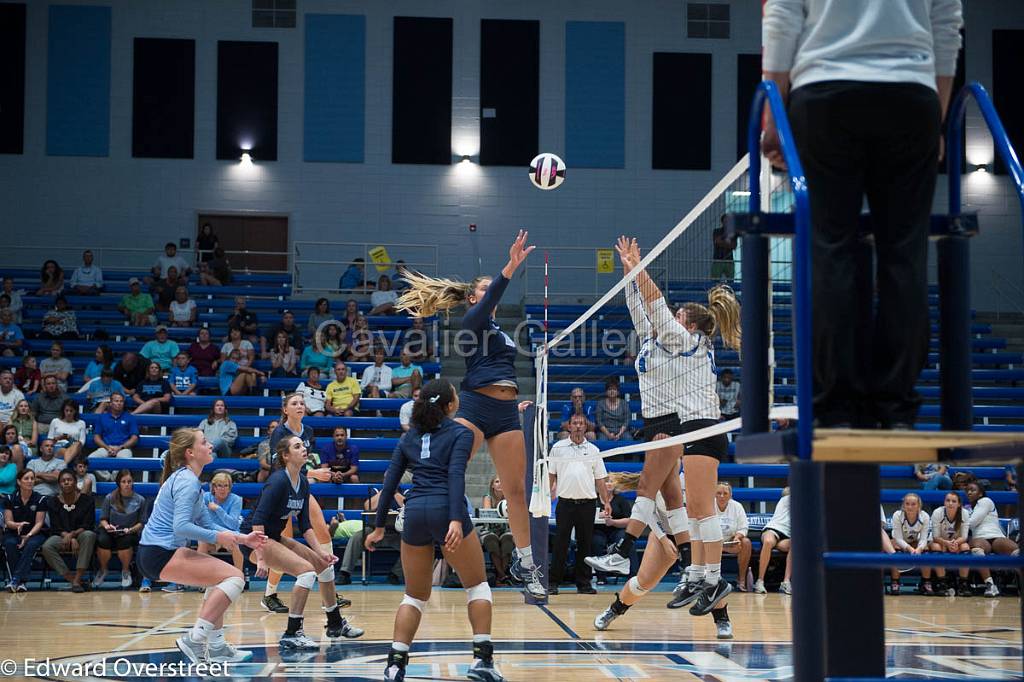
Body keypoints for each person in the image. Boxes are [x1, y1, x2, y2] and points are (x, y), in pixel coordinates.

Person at [762, 0, 963, 428]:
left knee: (830, 250)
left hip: (826, 93)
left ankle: (834, 406)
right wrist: (938, 119)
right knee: (904, 254)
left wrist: (772, 115)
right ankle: (894, 407)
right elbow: (947, 24)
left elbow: (781, 16)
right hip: (910, 95)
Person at [396, 230, 543, 598]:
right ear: (473, 298)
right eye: (484, 289)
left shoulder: (498, 330)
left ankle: (525, 563)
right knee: (446, 467)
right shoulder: (473, 322)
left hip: (506, 411)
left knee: (516, 492)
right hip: (475, 405)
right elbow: (493, 294)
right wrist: (510, 267)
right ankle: (410, 508)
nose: (490, 292)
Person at [608, 237, 739, 617]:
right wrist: (628, 272)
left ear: (690, 323)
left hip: (701, 428)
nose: (673, 317)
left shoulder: (686, 339)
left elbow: (656, 306)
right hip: (693, 428)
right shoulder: (683, 343)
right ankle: (699, 574)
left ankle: (712, 579)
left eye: (680, 314)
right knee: (697, 508)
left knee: (702, 509)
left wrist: (638, 266)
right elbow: (644, 310)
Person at [365, 379, 505, 682]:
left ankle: (395, 665)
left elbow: (389, 483)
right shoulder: (459, 433)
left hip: (415, 513)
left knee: (414, 597)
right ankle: (482, 662)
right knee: (477, 586)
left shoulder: (410, 437)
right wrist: (456, 519)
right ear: (450, 405)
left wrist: (378, 528)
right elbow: (455, 474)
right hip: (445, 509)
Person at [138, 428, 266, 663]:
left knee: (221, 579)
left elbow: (209, 523)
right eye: (204, 442)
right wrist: (218, 539)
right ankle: (194, 639)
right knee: (235, 578)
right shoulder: (186, 482)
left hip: (159, 551)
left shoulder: (190, 480)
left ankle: (216, 647)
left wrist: (242, 538)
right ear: (190, 453)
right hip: (159, 553)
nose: (210, 446)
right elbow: (181, 528)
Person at [245, 435, 364, 647]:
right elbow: (258, 520)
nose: (304, 448)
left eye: (304, 445)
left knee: (323, 567)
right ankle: (292, 632)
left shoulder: (302, 483)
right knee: (306, 572)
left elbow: (306, 525)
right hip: (253, 538)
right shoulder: (278, 480)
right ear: (286, 455)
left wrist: (320, 552)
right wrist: (261, 558)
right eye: (297, 446)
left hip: (273, 536)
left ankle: (335, 623)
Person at [261, 393, 350, 614]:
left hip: (301, 486)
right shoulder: (280, 433)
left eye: (302, 403)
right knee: (285, 543)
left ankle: (329, 593)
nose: (300, 406)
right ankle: (269, 594)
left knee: (323, 534)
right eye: (294, 403)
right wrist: (314, 472)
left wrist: (324, 472)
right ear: (285, 410)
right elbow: (277, 467)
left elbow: (307, 461)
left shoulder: (308, 431)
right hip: (281, 490)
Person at [547, 413, 611, 595]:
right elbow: (551, 476)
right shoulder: (558, 448)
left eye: (581, 423)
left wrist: (606, 501)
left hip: (587, 504)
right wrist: (545, 495)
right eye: (574, 423)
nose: (577, 426)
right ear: (568, 426)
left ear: (586, 427)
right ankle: (553, 582)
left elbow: (600, 480)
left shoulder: (593, 450)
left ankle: (583, 583)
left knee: (585, 544)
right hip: (565, 503)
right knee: (561, 543)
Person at [40, 469, 96, 593]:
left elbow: (88, 525)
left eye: (69, 480)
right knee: (47, 546)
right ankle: (74, 580)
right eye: (63, 481)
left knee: (89, 535)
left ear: (75, 482)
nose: (66, 482)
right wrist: (68, 536)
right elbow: (55, 526)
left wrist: (73, 535)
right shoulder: (53, 501)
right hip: (61, 535)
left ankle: (78, 578)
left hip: (80, 534)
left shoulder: (87, 500)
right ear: (59, 484)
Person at [95, 469, 150, 590]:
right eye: (124, 482)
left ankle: (125, 571)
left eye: (129, 481)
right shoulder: (110, 498)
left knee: (125, 542)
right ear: (119, 483)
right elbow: (103, 519)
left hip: (129, 532)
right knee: (102, 540)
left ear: (133, 482)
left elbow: (141, 523)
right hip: (111, 531)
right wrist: (107, 526)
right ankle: (103, 570)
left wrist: (131, 530)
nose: (127, 484)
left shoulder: (140, 500)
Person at [965, 481, 1020, 598]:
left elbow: (971, 522)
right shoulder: (968, 508)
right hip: (980, 538)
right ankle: (990, 585)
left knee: (1016, 551)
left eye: (972, 490)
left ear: (980, 493)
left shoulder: (986, 501)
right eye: (967, 490)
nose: (969, 492)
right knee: (976, 548)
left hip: (996, 536)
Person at [3, 468, 48, 592]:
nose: (30, 481)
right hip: (14, 532)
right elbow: (8, 521)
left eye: (32, 478)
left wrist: (28, 535)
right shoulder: (9, 498)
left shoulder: (40, 499)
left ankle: (15, 579)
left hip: (35, 533)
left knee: (31, 544)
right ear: (19, 482)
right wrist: (17, 525)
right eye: (26, 478)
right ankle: (21, 582)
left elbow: (39, 522)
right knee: (10, 543)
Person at [590, 475, 635, 585]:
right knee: (596, 541)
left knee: (626, 539)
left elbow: (629, 520)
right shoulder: (593, 500)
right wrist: (599, 515)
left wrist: (613, 522)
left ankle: (633, 575)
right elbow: (586, 517)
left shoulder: (621, 500)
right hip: (598, 530)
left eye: (611, 481)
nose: (609, 484)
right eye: (606, 481)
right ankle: (601, 577)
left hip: (617, 529)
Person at [198, 472, 245, 574]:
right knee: (202, 542)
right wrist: (218, 535)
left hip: (229, 533)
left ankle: (239, 576)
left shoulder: (236, 499)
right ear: (214, 487)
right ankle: (202, 578)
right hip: (211, 533)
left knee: (236, 544)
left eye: (226, 486)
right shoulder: (206, 498)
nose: (222, 489)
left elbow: (233, 524)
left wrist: (218, 509)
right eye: (219, 485)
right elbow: (205, 523)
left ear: (229, 487)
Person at [888, 492, 932, 595]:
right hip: (898, 541)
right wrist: (910, 549)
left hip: (915, 542)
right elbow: (898, 538)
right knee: (895, 549)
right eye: (907, 504)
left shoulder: (924, 516)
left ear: (919, 505)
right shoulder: (897, 515)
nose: (910, 507)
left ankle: (926, 582)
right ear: (903, 505)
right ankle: (895, 582)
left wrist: (919, 548)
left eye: (913, 504)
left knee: (925, 550)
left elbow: (924, 538)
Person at [929, 491, 970, 596]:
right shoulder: (937, 512)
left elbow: (964, 537)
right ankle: (942, 583)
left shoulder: (965, 513)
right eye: (948, 500)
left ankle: (963, 583)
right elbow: (935, 537)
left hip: (957, 542)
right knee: (935, 546)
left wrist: (954, 543)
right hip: (940, 541)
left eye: (953, 501)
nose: (950, 503)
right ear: (944, 502)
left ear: (959, 504)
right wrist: (947, 543)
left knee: (965, 546)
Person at [87, 393, 139, 474]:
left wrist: (120, 447)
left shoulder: (130, 417)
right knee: (90, 460)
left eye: (121, 401)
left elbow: (134, 438)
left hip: (123, 448)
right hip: (105, 447)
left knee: (125, 460)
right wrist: (107, 447)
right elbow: (96, 437)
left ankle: (117, 480)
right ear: (110, 403)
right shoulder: (102, 417)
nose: (119, 403)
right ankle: (107, 478)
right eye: (116, 401)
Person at [753, 488, 792, 594]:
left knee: (795, 545)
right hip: (774, 528)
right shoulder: (786, 499)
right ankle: (760, 581)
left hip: (787, 535)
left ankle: (786, 581)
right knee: (769, 542)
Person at [479, 476, 516, 585]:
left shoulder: (510, 497)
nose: (500, 484)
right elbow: (487, 515)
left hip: (506, 529)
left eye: (502, 481)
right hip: (489, 529)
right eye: (497, 481)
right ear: (492, 485)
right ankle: (502, 575)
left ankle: (500, 576)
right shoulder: (488, 497)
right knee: (492, 541)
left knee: (508, 541)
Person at [716, 482, 752, 591]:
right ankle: (710, 580)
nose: (722, 496)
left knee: (746, 543)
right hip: (712, 541)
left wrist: (737, 537)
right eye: (719, 493)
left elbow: (744, 527)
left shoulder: (737, 506)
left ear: (730, 495)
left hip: (731, 541)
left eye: (725, 493)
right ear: (714, 494)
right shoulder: (709, 506)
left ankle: (741, 580)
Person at [46, 394, 87, 461]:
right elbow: (49, 441)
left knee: (76, 445)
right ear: (63, 411)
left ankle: (63, 465)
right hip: (58, 446)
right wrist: (59, 438)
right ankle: (65, 464)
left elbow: (82, 442)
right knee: (63, 450)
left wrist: (71, 438)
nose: (68, 413)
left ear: (75, 411)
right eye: (67, 410)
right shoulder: (55, 421)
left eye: (71, 411)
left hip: (74, 446)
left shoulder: (81, 423)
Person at [711, 215, 736, 281]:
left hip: (729, 260)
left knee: (731, 282)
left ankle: (729, 291)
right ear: (722, 222)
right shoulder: (716, 231)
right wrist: (726, 238)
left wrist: (722, 242)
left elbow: (734, 246)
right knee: (715, 281)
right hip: (718, 260)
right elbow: (716, 241)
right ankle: (716, 291)